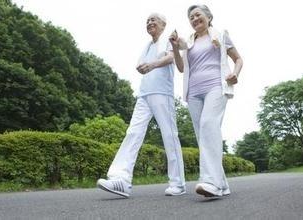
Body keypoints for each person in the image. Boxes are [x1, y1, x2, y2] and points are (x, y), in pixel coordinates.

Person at [97, 13, 186, 198]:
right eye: (147, 21)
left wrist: (152, 65)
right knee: (133, 132)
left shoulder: (169, 39)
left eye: (154, 20)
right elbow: (141, 65)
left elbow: (171, 58)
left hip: (163, 94)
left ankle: (177, 183)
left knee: (169, 136)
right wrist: (144, 67)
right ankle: (121, 179)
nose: (150, 22)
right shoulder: (147, 46)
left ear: (163, 24)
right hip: (144, 95)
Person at [169, 4, 243, 197]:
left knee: (208, 125)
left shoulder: (221, 35)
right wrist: (176, 48)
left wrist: (235, 74)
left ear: (208, 17)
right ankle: (222, 183)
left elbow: (238, 59)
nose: (194, 19)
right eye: (191, 17)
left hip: (216, 86)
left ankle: (210, 182)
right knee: (203, 136)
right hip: (193, 92)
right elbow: (181, 68)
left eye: (197, 15)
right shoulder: (189, 43)